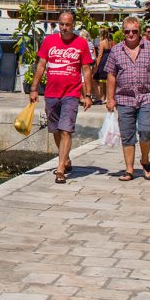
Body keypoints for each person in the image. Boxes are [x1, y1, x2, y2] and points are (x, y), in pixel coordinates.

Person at [30, 10, 94, 183]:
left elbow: (86, 70)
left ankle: (60, 169)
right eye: (62, 24)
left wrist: (88, 94)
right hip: (51, 93)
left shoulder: (81, 43)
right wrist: (34, 88)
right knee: (56, 130)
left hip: (71, 93)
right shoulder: (49, 41)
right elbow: (41, 65)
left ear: (73, 25)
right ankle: (65, 158)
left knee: (66, 129)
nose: (64, 28)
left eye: (68, 25)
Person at [104, 16, 150, 181]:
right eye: (127, 31)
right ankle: (129, 169)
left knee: (146, 130)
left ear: (140, 32)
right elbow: (111, 75)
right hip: (124, 98)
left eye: (134, 31)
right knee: (127, 134)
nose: (131, 34)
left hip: (146, 96)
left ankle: (145, 160)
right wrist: (110, 98)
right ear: (123, 32)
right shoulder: (116, 50)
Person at [93, 27, 113, 102]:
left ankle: (99, 97)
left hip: (103, 61)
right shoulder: (111, 41)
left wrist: (97, 65)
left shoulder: (102, 42)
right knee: (107, 80)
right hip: (109, 60)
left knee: (95, 78)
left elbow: (100, 55)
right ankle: (106, 97)